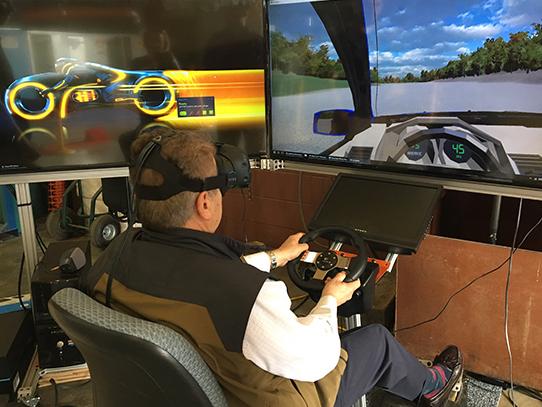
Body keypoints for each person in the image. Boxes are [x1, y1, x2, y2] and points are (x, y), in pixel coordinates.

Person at [81, 128, 463, 407]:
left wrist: (275, 257)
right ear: (204, 204)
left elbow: (189, 276)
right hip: (263, 399)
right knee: (376, 342)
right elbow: (315, 360)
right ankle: (434, 386)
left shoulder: (117, 255)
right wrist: (329, 300)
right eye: (218, 191)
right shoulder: (245, 293)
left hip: (182, 391)